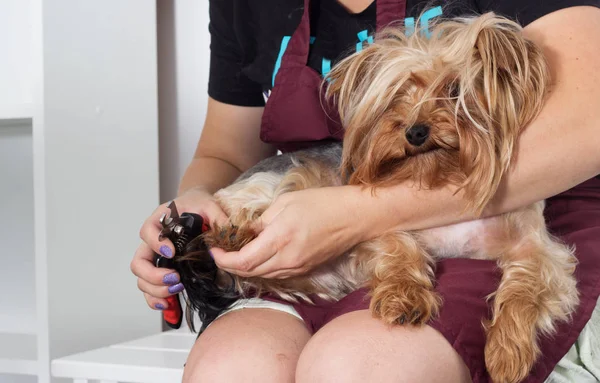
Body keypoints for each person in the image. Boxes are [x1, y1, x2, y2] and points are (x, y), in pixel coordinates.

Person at [130, 0, 600, 381]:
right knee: (230, 368)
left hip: (504, 212)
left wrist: (353, 213)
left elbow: (589, 122)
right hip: (319, 235)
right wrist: (194, 203)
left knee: (357, 366)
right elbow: (227, 156)